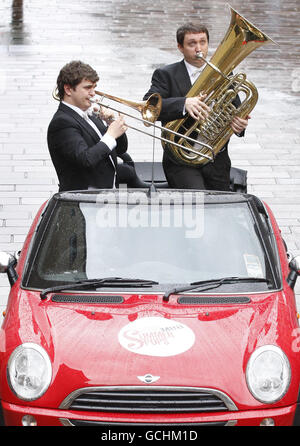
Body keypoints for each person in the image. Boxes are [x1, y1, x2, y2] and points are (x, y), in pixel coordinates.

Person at [143, 23, 250, 191]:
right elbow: (148, 106)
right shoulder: (166, 74)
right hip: (181, 161)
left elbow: (236, 110)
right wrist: (183, 103)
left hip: (216, 160)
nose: (198, 48)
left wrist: (239, 125)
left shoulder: (224, 73)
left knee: (220, 207)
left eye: (203, 42)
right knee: (197, 202)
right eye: (192, 43)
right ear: (180, 47)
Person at [48, 60, 138, 192]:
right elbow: (86, 160)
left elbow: (120, 149)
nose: (93, 93)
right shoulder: (62, 122)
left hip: (106, 193)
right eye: (87, 88)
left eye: (94, 87)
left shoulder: (90, 114)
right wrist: (110, 135)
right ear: (68, 89)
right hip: (83, 200)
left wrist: (111, 124)